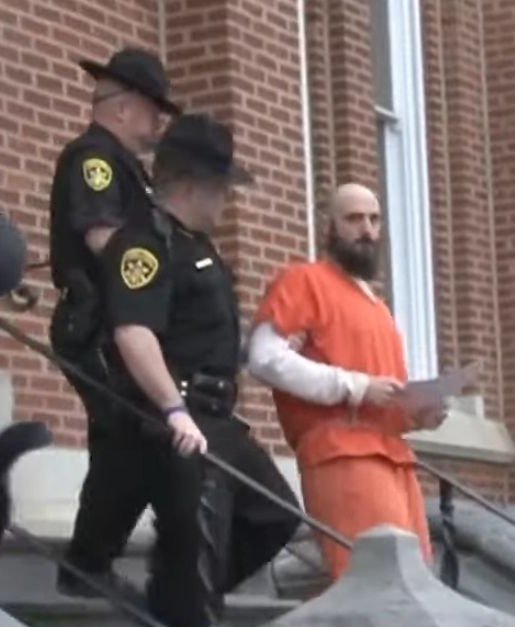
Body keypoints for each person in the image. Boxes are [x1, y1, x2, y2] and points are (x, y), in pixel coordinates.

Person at [62, 113, 300, 626]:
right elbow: (133, 333)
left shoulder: (197, 247)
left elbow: (195, 331)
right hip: (178, 419)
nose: (226, 200)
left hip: (216, 414)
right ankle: (182, 602)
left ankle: (172, 595)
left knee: (275, 514)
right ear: (194, 184)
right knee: (196, 560)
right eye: (222, 188)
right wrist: (173, 410)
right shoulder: (145, 244)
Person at [245, 182, 448, 580]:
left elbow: (388, 395)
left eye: (374, 219)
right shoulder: (304, 280)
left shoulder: (380, 309)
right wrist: (354, 385)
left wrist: (420, 413)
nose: (367, 230)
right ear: (331, 227)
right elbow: (264, 358)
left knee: (415, 587)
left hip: (395, 459)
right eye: (354, 219)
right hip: (341, 453)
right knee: (373, 585)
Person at [47, 46, 180, 596]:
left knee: (127, 436)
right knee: (127, 433)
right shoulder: (93, 161)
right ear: (122, 108)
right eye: (154, 110)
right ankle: (87, 565)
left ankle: (94, 563)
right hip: (97, 325)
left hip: (123, 323)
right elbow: (105, 240)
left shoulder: (132, 171)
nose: (158, 123)